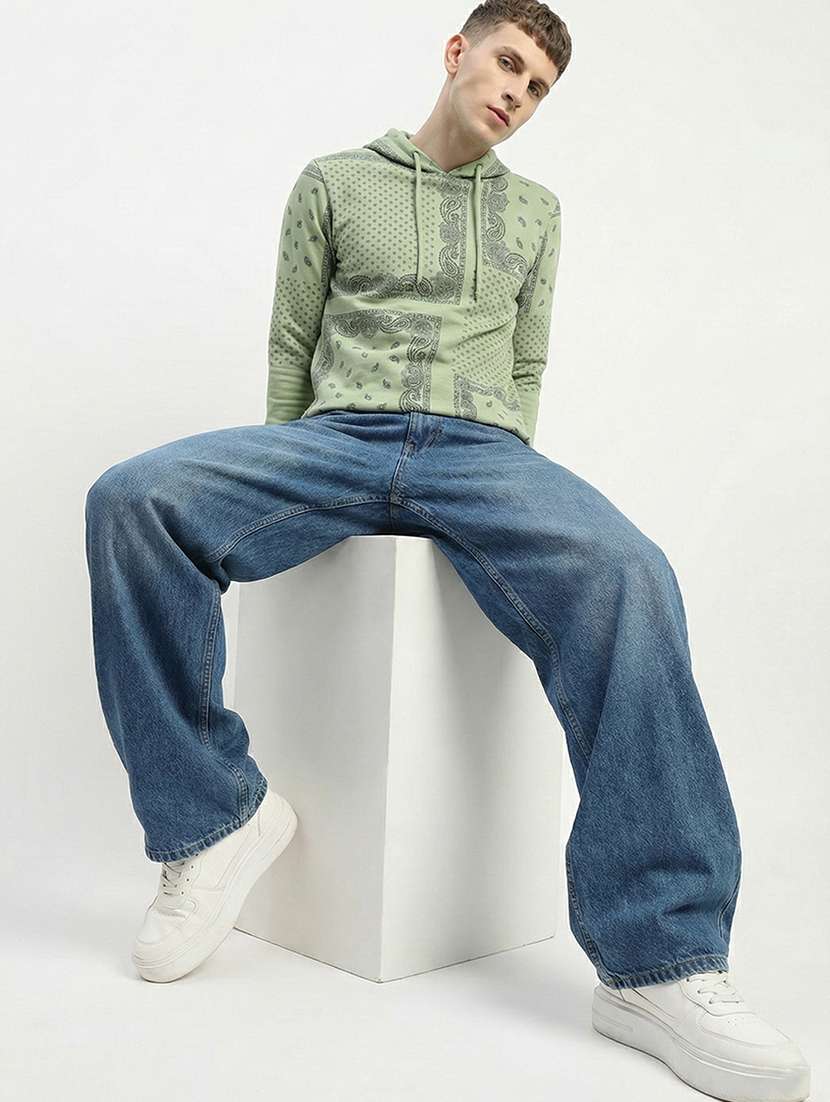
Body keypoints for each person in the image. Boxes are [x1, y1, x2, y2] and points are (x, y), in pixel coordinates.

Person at [83, 2, 810, 1099]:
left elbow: (524, 367)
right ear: (457, 51)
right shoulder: (335, 181)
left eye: (539, 87)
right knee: (132, 499)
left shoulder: (537, 213)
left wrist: (503, 495)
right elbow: (291, 343)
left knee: (631, 573)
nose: (517, 92)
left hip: (481, 451)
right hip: (338, 437)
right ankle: (212, 821)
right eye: (507, 63)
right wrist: (285, 486)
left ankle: (660, 961)